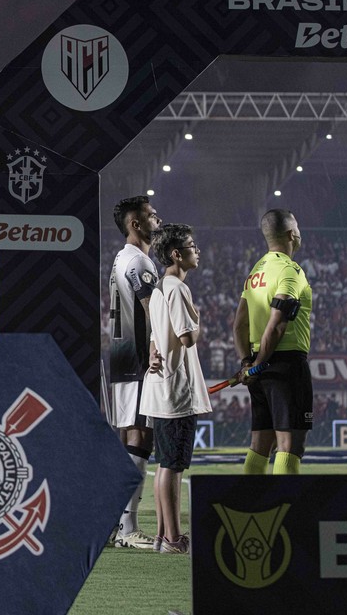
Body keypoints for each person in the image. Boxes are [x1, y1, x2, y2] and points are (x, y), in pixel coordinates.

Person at [140, 224, 210, 555]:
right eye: (192, 246)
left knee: (166, 464)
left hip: (160, 388)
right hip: (177, 393)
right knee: (173, 466)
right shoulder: (178, 289)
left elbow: (157, 337)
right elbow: (187, 336)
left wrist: (155, 351)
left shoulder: (158, 289)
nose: (198, 251)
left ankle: (164, 535)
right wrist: (199, 320)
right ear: (176, 254)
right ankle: (172, 539)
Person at [233, 209, 313, 475]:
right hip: (285, 364)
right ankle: (286, 511)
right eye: (298, 226)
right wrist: (260, 363)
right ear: (292, 234)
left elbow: (239, 324)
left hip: (258, 367)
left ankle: (248, 506)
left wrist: (248, 363)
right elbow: (277, 324)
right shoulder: (290, 271)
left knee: (260, 445)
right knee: (290, 446)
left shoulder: (256, 271)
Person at [107, 195, 161, 549]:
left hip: (121, 358)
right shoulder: (139, 262)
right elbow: (151, 308)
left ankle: (115, 525)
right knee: (141, 437)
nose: (158, 219)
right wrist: (158, 351)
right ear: (135, 224)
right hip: (140, 360)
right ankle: (128, 529)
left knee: (130, 437)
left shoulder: (119, 259)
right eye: (151, 215)